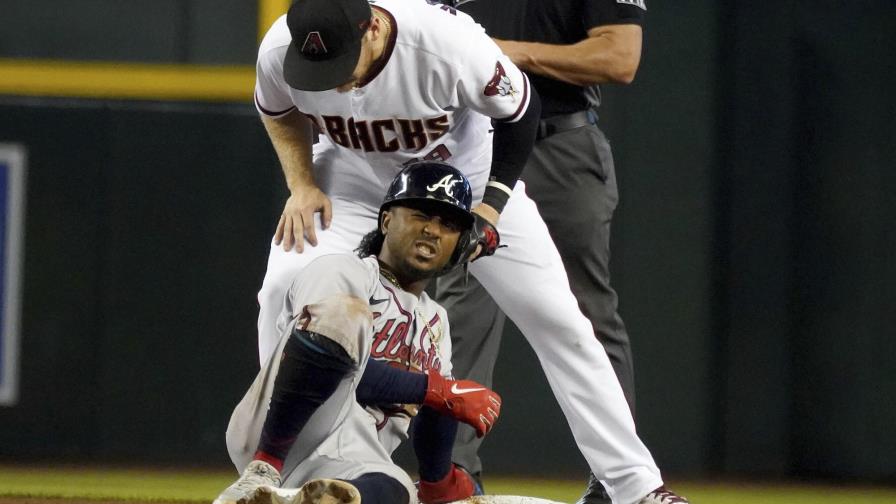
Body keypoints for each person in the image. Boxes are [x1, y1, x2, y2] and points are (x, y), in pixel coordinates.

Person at [252, 0, 683, 502]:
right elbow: (277, 110)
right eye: (318, 68)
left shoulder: (444, 42)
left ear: (372, 26)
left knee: (560, 320)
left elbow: (521, 112)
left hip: (464, 182)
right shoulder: (283, 47)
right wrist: (301, 184)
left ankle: (636, 486)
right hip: (351, 178)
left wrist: (493, 209)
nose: (335, 81)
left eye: (341, 63)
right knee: (281, 290)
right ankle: (283, 469)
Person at [434, 2, 660, 503]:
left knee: (585, 314)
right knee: (459, 318)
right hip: (474, 149)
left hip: (558, 143)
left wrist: (512, 55)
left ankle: (618, 482)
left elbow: (621, 56)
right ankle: (450, 480)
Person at [215, 162, 502, 504]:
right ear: (386, 221)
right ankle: (262, 472)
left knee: (396, 489)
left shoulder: (435, 320)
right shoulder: (342, 270)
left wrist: (438, 479)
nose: (433, 231)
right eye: (421, 214)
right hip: (287, 428)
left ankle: (316, 501)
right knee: (343, 315)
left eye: (449, 225)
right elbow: (336, 371)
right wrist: (437, 389)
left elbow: (437, 408)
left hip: (355, 456)